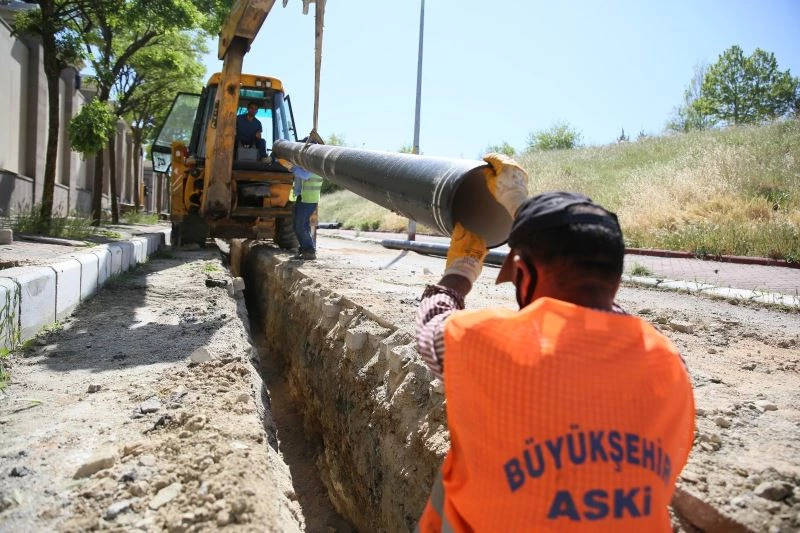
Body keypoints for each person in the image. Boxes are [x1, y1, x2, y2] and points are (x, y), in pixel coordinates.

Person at [415, 154, 695, 532]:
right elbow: (598, 306)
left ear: (525, 274)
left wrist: (460, 271)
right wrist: (522, 209)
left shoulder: (479, 341)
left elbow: (431, 325)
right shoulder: (669, 362)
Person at [284, 137, 323, 260]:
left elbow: (305, 175)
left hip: (309, 199)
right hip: (303, 197)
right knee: (298, 225)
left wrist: (291, 167)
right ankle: (304, 249)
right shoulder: (310, 162)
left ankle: (310, 250)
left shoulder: (316, 163)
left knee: (300, 225)